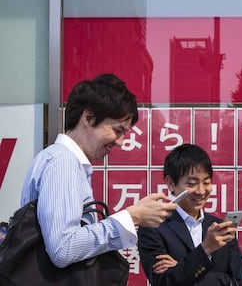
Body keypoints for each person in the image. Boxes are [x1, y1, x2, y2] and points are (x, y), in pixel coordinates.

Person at [20, 73, 177, 268]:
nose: (120, 141)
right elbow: (63, 249)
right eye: (117, 130)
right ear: (88, 117)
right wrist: (132, 216)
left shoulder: (62, 160)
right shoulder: (63, 163)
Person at [138, 143, 242, 286]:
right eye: (192, 183)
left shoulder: (220, 229)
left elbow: (238, 283)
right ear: (171, 183)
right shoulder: (153, 227)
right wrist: (206, 249)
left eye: (206, 182)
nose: (201, 191)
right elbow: (163, 282)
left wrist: (182, 268)